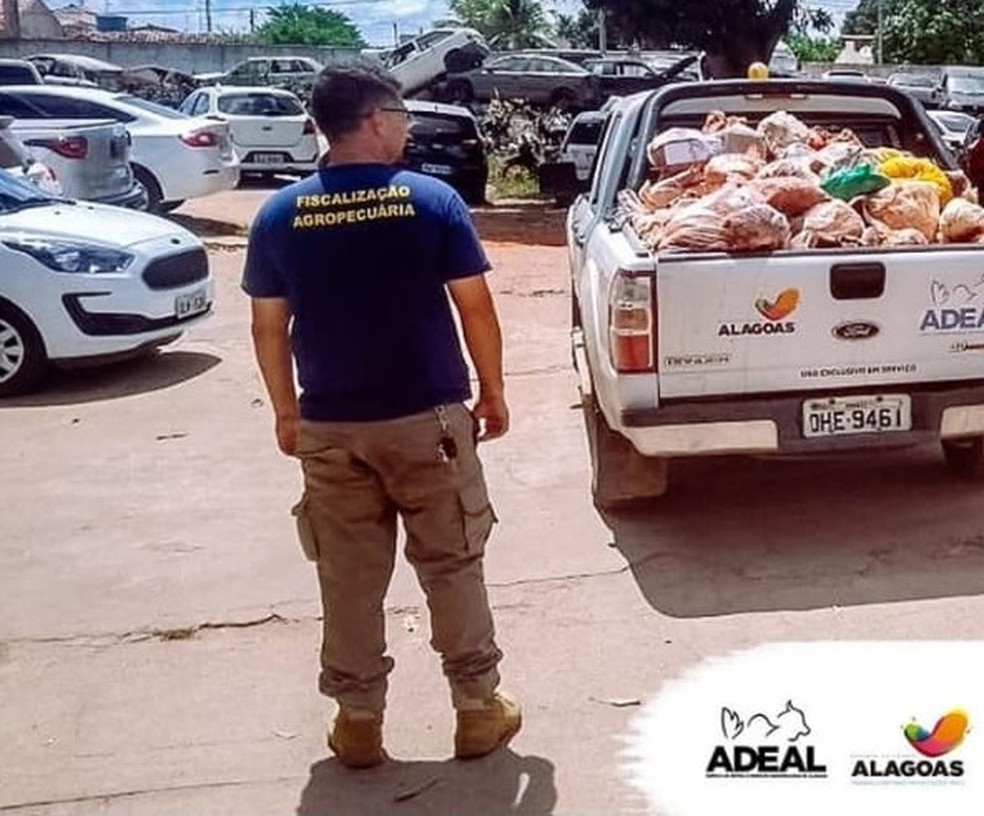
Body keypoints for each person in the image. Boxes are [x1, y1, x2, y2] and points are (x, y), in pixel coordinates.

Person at [242, 60, 520, 770]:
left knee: (348, 577)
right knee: (453, 565)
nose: (405, 129)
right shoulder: (431, 202)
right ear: (372, 120)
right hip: (426, 421)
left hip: (330, 426)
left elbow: (268, 326)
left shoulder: (278, 214)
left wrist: (284, 411)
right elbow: (475, 308)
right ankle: (477, 710)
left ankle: (358, 720)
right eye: (399, 117)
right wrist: (492, 390)